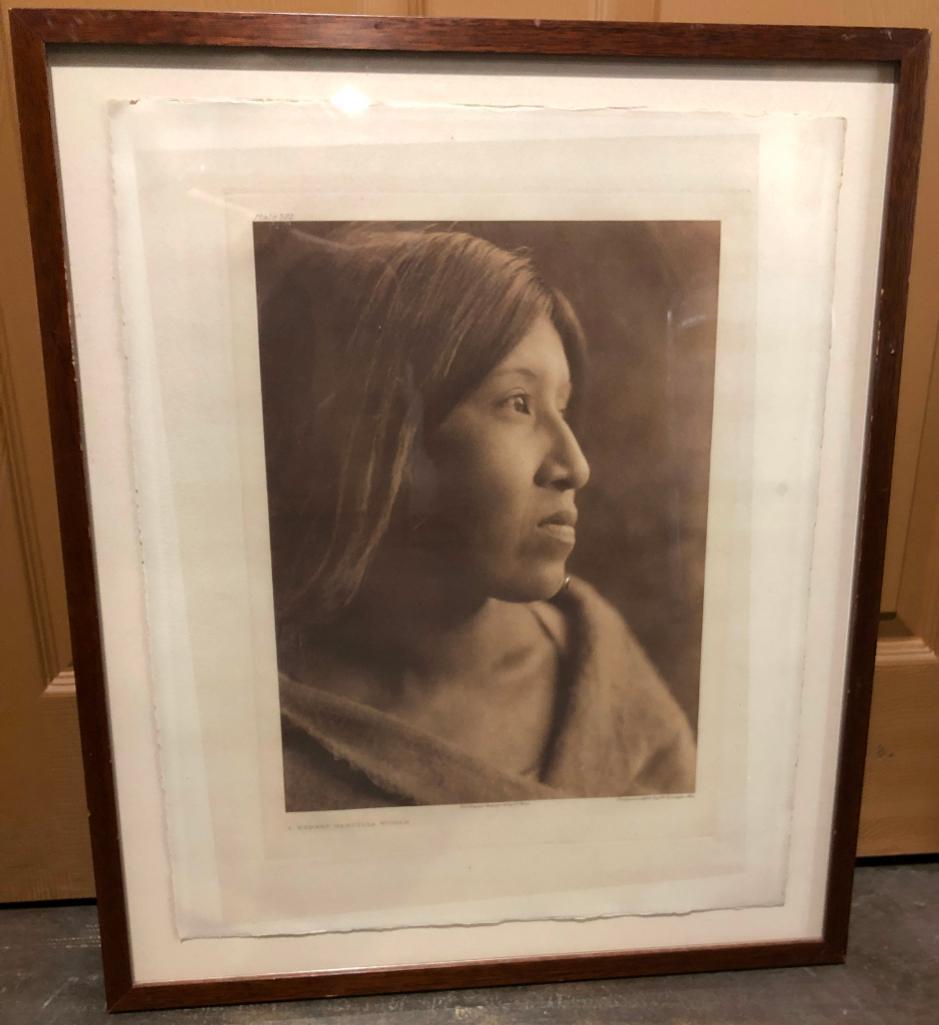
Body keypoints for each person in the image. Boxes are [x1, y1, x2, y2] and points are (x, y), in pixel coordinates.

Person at [256, 224, 696, 812]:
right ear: (392, 438)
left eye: (562, 408)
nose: (575, 466)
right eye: (519, 404)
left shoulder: (602, 668)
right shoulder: (265, 719)